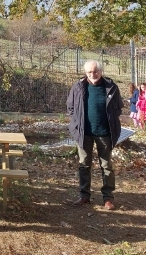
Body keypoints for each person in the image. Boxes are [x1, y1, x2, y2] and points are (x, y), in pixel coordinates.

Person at [67, 60, 123, 210]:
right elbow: (70, 107)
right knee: (84, 165)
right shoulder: (78, 87)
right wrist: (77, 124)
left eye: (95, 71)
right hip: (84, 133)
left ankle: (108, 198)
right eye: (89, 72)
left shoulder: (111, 87)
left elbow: (118, 108)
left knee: (106, 166)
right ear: (85, 73)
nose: (93, 75)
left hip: (105, 134)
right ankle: (84, 196)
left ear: (101, 71)